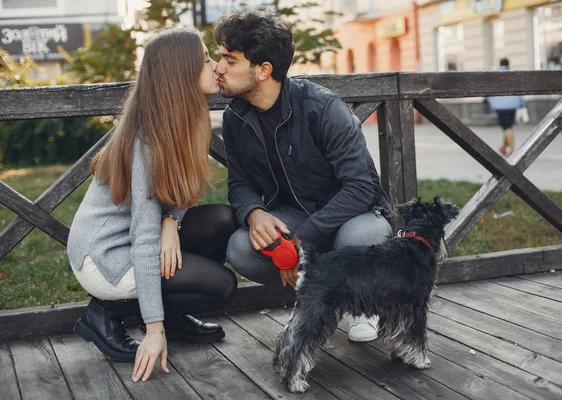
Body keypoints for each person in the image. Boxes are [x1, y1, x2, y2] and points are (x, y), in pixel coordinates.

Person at [67, 28, 238, 382]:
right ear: (182, 73)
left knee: (222, 218)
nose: (214, 68)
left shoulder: (183, 120)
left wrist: (171, 223)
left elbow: (178, 194)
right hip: (105, 258)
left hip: (134, 236)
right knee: (221, 286)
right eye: (205, 60)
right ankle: (104, 313)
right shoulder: (146, 142)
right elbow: (143, 240)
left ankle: (170, 315)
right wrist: (153, 330)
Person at [214, 9, 394, 343]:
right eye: (219, 58)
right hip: (294, 217)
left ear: (264, 70)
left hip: (351, 216)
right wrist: (254, 214)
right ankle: (325, 292)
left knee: (365, 234)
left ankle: (363, 303)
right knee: (241, 247)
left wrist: (303, 239)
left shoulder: (322, 107)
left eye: (230, 60)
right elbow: (240, 183)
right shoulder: (234, 117)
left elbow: (362, 187)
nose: (218, 68)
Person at [487, 58, 525, 157]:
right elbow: (519, 91)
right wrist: (521, 103)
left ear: (500, 64)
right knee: (508, 128)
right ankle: (504, 147)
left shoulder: (496, 76)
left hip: (500, 106)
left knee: (506, 128)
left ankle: (512, 151)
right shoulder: (513, 75)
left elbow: (489, 91)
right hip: (513, 105)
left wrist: (490, 103)